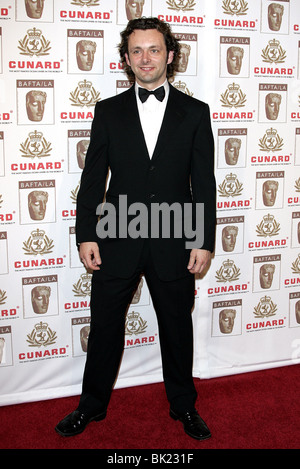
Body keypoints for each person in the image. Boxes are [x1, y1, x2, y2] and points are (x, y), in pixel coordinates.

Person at [55, 17, 216, 441]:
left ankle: (184, 406)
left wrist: (202, 239)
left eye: (155, 49)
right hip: (116, 236)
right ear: (126, 59)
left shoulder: (196, 113)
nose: (146, 58)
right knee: (105, 325)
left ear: (171, 55)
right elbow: (93, 179)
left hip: (175, 237)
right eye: (137, 51)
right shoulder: (107, 111)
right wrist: (86, 233)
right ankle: (91, 407)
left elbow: (204, 183)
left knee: (177, 328)